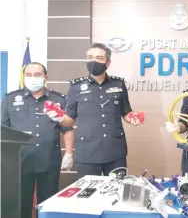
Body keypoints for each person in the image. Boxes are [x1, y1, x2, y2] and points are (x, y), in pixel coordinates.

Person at [45, 43, 143, 178]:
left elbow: (126, 113)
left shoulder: (118, 84)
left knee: (117, 192)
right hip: (87, 154)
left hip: (115, 152)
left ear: (108, 63)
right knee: (88, 194)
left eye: (99, 58)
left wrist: (133, 118)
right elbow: (69, 121)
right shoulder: (76, 87)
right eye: (90, 57)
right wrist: (60, 118)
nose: (93, 61)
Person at [1, 62, 74, 218]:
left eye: (37, 75)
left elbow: (67, 128)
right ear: (24, 77)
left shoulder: (59, 99)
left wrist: (69, 153)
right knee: (20, 207)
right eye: (28, 75)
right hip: (19, 162)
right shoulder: (10, 99)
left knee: (47, 206)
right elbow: (3, 131)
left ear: (45, 77)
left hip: (48, 160)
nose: (32, 78)